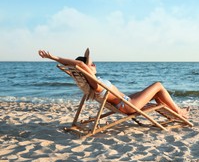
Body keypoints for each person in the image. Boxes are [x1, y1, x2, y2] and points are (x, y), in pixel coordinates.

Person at [38, 49, 189, 119]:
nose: (95, 65)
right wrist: (54, 57)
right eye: (92, 64)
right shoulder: (96, 84)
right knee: (158, 85)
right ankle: (179, 112)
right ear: (86, 68)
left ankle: (176, 112)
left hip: (126, 101)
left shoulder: (95, 83)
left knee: (156, 95)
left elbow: (81, 65)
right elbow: (79, 64)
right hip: (127, 105)